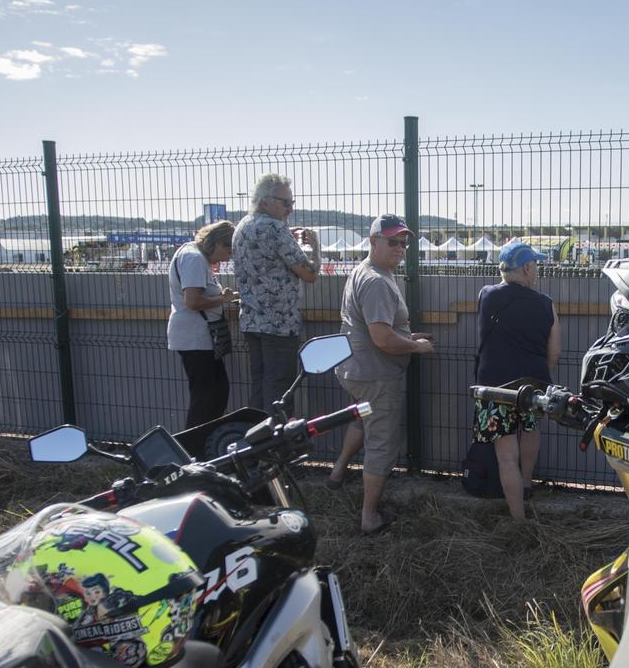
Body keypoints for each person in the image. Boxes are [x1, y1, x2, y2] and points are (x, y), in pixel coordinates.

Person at [330, 215, 433, 535]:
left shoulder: (367, 271)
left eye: (404, 243)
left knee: (361, 419)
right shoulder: (376, 281)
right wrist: (417, 348)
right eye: (393, 242)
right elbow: (383, 339)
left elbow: (381, 329)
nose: (400, 248)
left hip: (355, 369)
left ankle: (336, 474)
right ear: (373, 241)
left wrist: (407, 336)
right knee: (382, 444)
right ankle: (369, 516)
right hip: (376, 375)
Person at [474, 241, 560, 521]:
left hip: (495, 388)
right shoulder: (546, 304)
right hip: (533, 386)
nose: (537, 271)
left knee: (506, 455)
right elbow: (554, 354)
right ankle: (526, 485)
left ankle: (519, 519)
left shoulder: (486, 295)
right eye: (535, 265)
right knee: (530, 431)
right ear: (526, 268)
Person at [231, 174, 319, 406]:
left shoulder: (243, 226)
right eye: (286, 202)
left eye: (292, 203)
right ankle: (276, 440)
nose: (290, 208)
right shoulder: (274, 228)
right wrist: (316, 247)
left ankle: (256, 437)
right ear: (265, 202)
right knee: (280, 390)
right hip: (279, 325)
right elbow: (309, 273)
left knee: (260, 387)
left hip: (252, 321)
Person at [167, 219, 238, 428]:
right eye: (229, 252)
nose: (228, 258)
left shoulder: (195, 256)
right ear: (218, 244)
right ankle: (194, 450)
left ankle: (204, 445)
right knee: (205, 399)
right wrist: (223, 300)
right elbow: (193, 301)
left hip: (199, 339)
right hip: (195, 339)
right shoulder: (194, 258)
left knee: (216, 394)